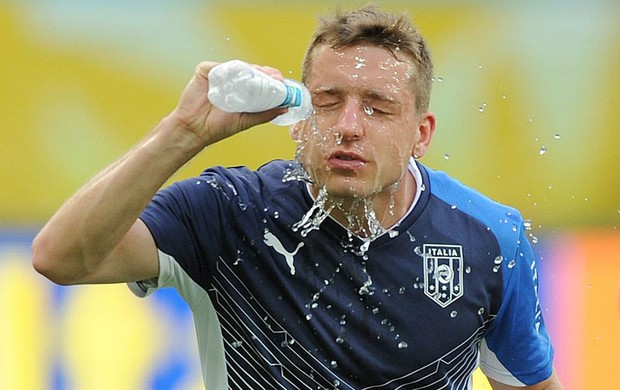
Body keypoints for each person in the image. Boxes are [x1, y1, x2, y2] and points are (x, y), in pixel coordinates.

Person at [33, 5, 563, 390]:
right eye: (328, 103)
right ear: (298, 121)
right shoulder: (229, 212)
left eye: (378, 108)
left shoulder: (490, 237)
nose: (349, 127)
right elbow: (59, 258)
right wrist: (186, 129)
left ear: (422, 133)